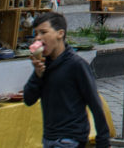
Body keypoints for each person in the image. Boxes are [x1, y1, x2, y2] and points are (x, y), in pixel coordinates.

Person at [24, 11, 111, 148]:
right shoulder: (44, 65)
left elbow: (95, 103)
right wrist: (37, 75)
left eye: (43, 32)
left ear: (60, 33)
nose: (38, 38)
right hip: (49, 138)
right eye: (36, 34)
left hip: (70, 140)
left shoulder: (76, 65)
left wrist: (103, 141)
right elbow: (28, 100)